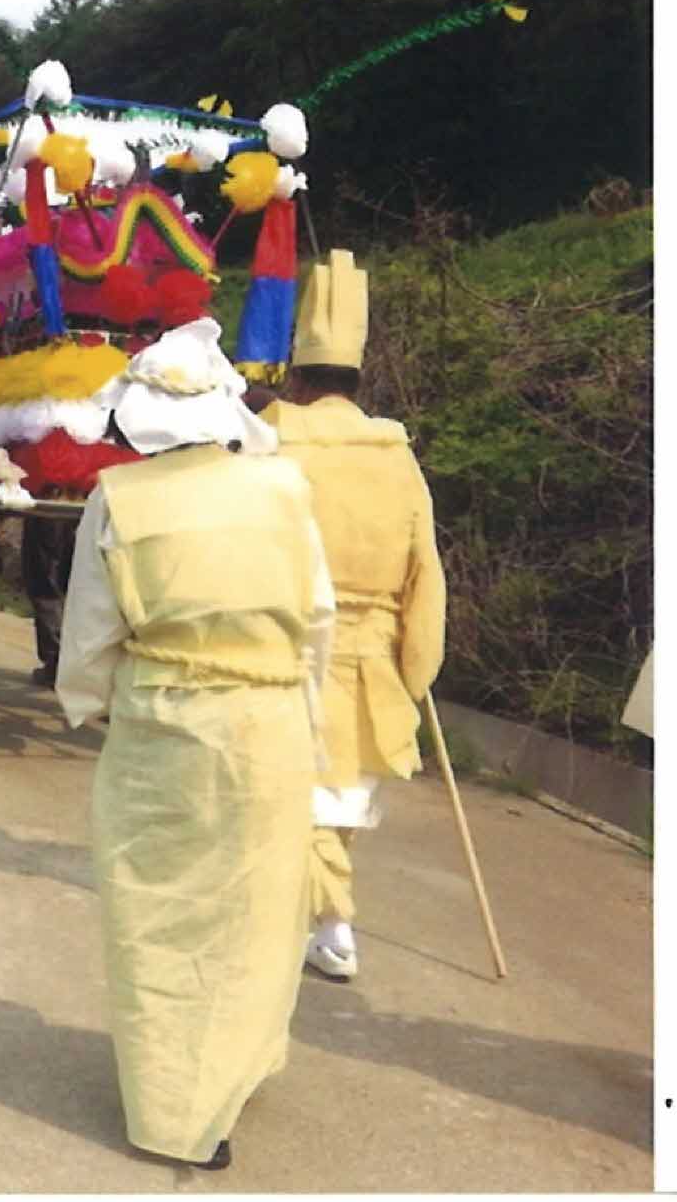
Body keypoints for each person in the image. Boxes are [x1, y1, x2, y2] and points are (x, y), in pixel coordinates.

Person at [56, 316, 336, 1171]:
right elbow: (317, 617)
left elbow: (90, 639)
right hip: (271, 723)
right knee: (255, 910)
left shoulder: (117, 498)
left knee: (161, 914)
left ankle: (178, 1107)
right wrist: (308, 718)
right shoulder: (284, 486)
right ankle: (234, 1069)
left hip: (166, 726)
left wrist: (92, 703)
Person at [259, 250, 446, 983]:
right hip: (371, 659)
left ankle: (327, 928)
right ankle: (328, 923)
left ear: (298, 379)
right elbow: (425, 572)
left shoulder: (272, 438)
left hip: (287, 647)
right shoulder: (398, 456)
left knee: (294, 801)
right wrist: (418, 667)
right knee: (337, 805)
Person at [21, 513, 77, 689]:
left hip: (50, 501)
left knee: (45, 584)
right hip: (90, 502)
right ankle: (64, 662)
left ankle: (57, 662)